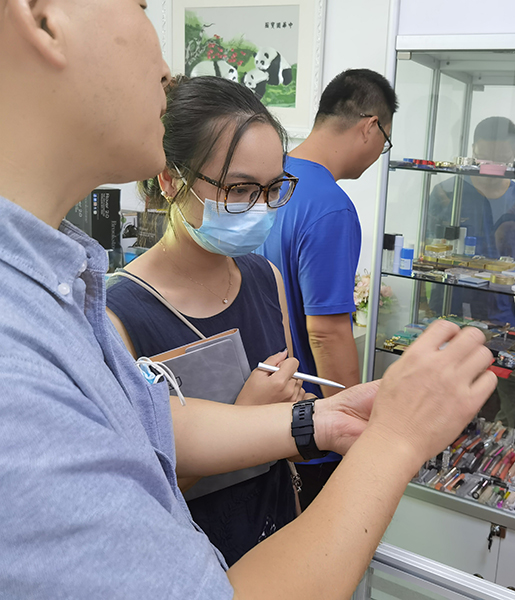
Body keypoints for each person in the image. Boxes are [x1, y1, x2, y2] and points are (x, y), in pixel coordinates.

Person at [0, 2, 496, 598]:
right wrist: (397, 439)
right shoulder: (35, 345)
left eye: (271, 188)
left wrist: (320, 420)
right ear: (41, 16)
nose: (166, 67)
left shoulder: (61, 287)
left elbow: (150, 423)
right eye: (140, 4)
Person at [105, 75, 308, 566]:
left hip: (279, 534)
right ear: (170, 179)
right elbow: (139, 489)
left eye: (273, 188)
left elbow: (290, 430)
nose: (261, 208)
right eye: (240, 189)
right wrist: (250, 417)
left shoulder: (265, 278)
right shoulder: (118, 316)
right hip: (192, 562)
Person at [255, 68, 397, 507]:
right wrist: (354, 425)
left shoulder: (265, 178)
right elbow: (327, 332)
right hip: (312, 430)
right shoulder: (331, 207)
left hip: (256, 413)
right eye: (385, 142)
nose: (378, 154)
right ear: (370, 127)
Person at [428, 116, 515, 427]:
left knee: (504, 398)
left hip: (501, 314)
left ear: (514, 155)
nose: (492, 164)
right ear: (473, 150)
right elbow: (429, 256)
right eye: (485, 156)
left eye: (501, 157)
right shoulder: (446, 194)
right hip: (449, 310)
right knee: (445, 396)